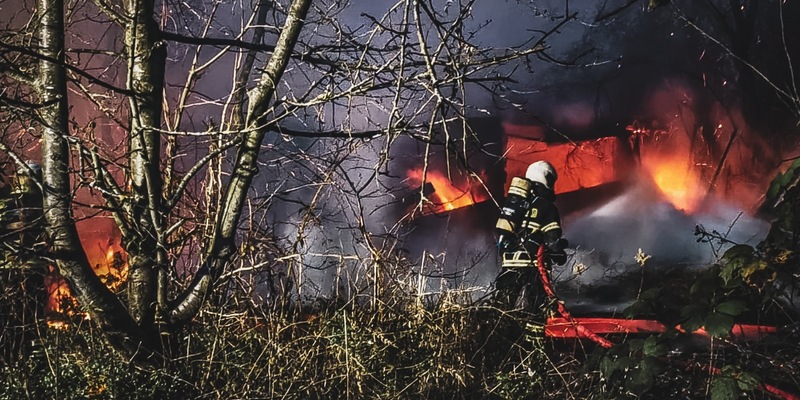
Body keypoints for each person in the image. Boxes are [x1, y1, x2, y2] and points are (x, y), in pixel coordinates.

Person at [494, 160, 567, 315]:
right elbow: (552, 241)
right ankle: (535, 331)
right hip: (532, 267)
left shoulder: (515, 203)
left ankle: (495, 329)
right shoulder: (547, 207)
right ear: (545, 178)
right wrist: (559, 255)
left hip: (509, 264)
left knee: (500, 309)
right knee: (538, 310)